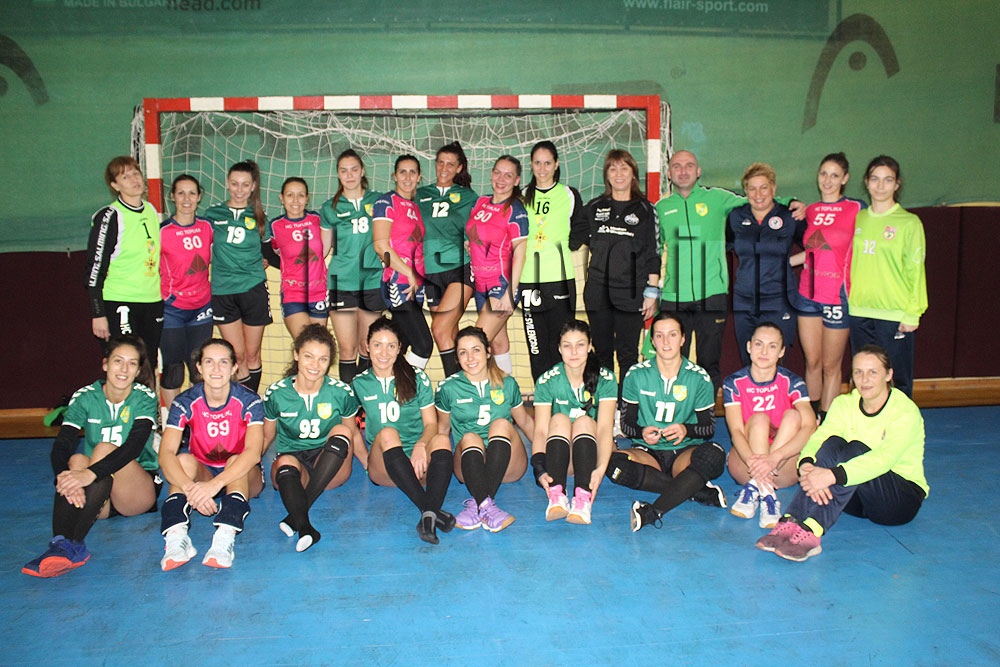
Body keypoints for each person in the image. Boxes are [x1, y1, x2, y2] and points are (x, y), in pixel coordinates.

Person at [756, 345, 927, 562]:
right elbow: (820, 437)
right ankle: (793, 519)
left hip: (898, 502)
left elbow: (884, 459)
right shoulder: (844, 403)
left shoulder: (905, 411)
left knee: (855, 448)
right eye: (858, 372)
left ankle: (813, 531)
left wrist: (831, 475)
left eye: (872, 372)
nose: (864, 379)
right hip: (855, 498)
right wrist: (807, 465)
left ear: (888, 375)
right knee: (833, 442)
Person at [653, 151, 805, 389]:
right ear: (669, 173)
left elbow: (757, 200)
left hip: (712, 292)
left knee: (709, 362)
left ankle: (706, 412)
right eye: (677, 166)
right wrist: (652, 291)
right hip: (674, 296)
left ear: (698, 171)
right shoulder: (661, 208)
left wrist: (791, 201)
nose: (683, 171)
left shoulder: (718, 198)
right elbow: (652, 251)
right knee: (671, 361)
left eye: (689, 165)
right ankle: (673, 409)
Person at [22, 336, 159, 578]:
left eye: (131, 364)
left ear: (138, 371)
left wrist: (90, 473)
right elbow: (62, 444)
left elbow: (133, 447)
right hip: (98, 496)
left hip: (135, 493)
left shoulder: (144, 396)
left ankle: (71, 544)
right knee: (75, 461)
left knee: (103, 449)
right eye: (118, 361)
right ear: (105, 364)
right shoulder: (85, 396)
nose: (124, 369)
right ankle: (61, 545)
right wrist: (63, 477)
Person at [606, 312, 727, 532]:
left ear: (683, 339)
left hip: (684, 452)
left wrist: (686, 429)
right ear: (652, 341)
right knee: (614, 465)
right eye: (659, 336)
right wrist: (641, 431)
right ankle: (693, 489)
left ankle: (653, 511)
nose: (666, 341)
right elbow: (626, 424)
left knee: (714, 454)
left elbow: (708, 427)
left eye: (672, 335)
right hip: (648, 451)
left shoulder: (698, 377)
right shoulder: (636, 375)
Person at [158, 338, 265, 571]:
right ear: (199, 367)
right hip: (204, 474)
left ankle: (224, 539)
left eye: (223, 362)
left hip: (244, 477)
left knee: (236, 460)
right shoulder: (184, 401)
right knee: (182, 461)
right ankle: (176, 538)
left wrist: (214, 486)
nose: (216, 369)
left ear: (234, 367)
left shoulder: (250, 400)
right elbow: (165, 454)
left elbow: (253, 454)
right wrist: (191, 488)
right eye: (209, 362)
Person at [352, 317, 454, 544]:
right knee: (388, 433)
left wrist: (421, 445)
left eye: (391, 346)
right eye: (377, 345)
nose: (383, 353)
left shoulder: (417, 378)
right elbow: (349, 428)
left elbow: (431, 424)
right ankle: (430, 508)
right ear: (367, 347)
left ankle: (428, 515)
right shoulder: (359, 383)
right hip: (384, 467)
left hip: (418, 465)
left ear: (400, 348)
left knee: (442, 440)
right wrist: (366, 461)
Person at [264, 325, 361, 552]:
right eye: (309, 356)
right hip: (294, 468)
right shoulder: (276, 393)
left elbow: (352, 433)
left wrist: (367, 466)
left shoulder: (341, 391)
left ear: (330, 362)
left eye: (322, 359)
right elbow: (266, 436)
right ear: (296, 354)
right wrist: (250, 466)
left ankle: (297, 516)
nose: (315, 365)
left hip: (330, 464)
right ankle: (307, 528)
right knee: (285, 461)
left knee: (342, 431)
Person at [434, 327, 533, 531]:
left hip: (508, 466)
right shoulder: (448, 388)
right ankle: (487, 507)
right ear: (457, 358)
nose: (470, 358)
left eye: (476, 350)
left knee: (501, 424)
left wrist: (545, 456)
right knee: (470, 437)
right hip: (469, 468)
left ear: (488, 352)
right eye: (463, 352)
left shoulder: (507, 383)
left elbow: (525, 422)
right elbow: (442, 431)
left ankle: (479, 503)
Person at [792, 153, 866, 420]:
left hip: (837, 296)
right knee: (812, 362)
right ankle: (811, 421)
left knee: (830, 365)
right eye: (824, 173)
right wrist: (781, 263)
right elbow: (814, 250)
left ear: (845, 179)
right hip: (808, 294)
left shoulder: (856, 208)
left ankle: (829, 422)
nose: (827, 180)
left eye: (835, 175)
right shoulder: (811, 211)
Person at [848, 156, 927, 398]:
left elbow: (916, 270)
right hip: (860, 311)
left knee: (897, 379)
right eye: (875, 179)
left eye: (888, 180)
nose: (880, 186)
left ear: (897, 184)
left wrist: (912, 312)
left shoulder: (909, 223)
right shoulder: (860, 218)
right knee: (863, 378)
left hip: (893, 313)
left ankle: (900, 422)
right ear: (866, 182)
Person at [724, 323, 815, 529]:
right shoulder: (734, 382)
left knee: (794, 416)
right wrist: (756, 464)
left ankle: (758, 491)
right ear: (749, 346)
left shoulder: (792, 381)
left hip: (783, 466)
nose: (764, 352)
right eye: (759, 344)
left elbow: (810, 427)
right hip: (746, 464)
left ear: (782, 351)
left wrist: (774, 458)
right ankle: (767, 495)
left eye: (772, 346)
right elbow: (736, 432)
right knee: (759, 419)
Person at [582, 149, 660, 389]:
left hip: (631, 293)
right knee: (602, 352)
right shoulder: (593, 207)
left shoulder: (645, 209)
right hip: (598, 292)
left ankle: (626, 406)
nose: (618, 174)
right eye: (613, 168)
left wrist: (652, 292)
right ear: (606, 175)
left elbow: (653, 253)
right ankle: (604, 404)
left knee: (628, 354)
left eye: (624, 168)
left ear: (633, 174)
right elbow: (572, 237)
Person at [531, 320, 617, 524]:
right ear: (559, 349)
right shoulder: (547, 380)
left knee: (583, 421)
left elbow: (605, 429)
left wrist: (600, 469)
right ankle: (557, 494)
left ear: (589, 346)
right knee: (559, 419)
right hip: (560, 458)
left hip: (591, 455)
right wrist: (540, 468)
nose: (574, 352)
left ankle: (583, 498)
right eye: (567, 346)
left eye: (580, 345)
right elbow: (541, 431)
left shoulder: (606, 379)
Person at [520, 141, 589, 381]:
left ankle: (564, 393)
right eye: (537, 163)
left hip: (561, 279)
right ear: (531, 164)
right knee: (536, 347)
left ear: (556, 164)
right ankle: (543, 396)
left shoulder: (569, 194)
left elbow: (582, 225)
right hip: (529, 281)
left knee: (562, 343)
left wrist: (569, 245)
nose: (542, 168)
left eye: (547, 163)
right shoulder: (521, 196)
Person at [205, 160, 276, 393]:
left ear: (253, 186)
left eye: (245, 185)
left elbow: (269, 253)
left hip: (253, 289)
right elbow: (202, 251)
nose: (239, 189)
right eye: (234, 183)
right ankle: (241, 405)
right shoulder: (212, 214)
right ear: (227, 182)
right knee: (237, 355)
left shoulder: (260, 216)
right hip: (223, 291)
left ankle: (250, 403)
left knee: (253, 354)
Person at [727, 162, 807, 365]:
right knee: (749, 361)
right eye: (752, 188)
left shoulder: (789, 216)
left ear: (774, 188)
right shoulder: (736, 216)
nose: (758, 194)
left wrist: (787, 262)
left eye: (764, 187)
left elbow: (818, 248)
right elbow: (722, 248)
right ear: (745, 191)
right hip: (744, 301)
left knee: (774, 362)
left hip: (779, 301)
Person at [86, 156, 162, 361]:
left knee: (148, 363)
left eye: (136, 173)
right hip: (121, 302)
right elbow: (94, 269)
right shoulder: (110, 216)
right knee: (125, 363)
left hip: (152, 301)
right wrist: (98, 314)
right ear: (115, 185)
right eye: (125, 177)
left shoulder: (151, 210)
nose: (134, 179)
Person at [320, 149, 384, 384]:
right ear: (338, 174)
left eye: (354, 169)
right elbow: (322, 249)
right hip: (341, 282)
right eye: (343, 171)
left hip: (372, 281)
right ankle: (349, 401)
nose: (349, 175)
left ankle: (365, 400)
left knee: (367, 346)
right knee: (347, 349)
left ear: (362, 171)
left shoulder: (379, 201)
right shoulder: (330, 207)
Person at [417, 142, 478, 376]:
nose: (444, 168)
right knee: (448, 333)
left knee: (440, 329)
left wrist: (472, 242)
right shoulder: (420, 194)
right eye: (440, 162)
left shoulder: (468, 197)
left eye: (450, 164)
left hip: (459, 267)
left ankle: (454, 388)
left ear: (459, 168)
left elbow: (478, 229)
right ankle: (463, 382)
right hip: (431, 272)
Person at [466, 155, 529, 372]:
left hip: (501, 286)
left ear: (517, 180)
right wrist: (471, 244)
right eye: (497, 173)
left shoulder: (516, 210)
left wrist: (509, 294)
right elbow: (476, 232)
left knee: (473, 343)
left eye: (508, 175)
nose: (501, 179)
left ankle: (471, 391)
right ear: (491, 174)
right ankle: (508, 391)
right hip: (480, 285)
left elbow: (520, 255)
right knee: (498, 344)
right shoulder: (480, 202)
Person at [372, 155, 433, 370]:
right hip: (398, 282)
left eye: (412, 172)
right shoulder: (386, 202)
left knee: (402, 345)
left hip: (415, 285)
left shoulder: (415, 208)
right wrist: (407, 273)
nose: (407, 177)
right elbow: (380, 246)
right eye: (402, 172)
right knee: (423, 345)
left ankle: (391, 385)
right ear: (394, 176)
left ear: (419, 177)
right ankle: (407, 386)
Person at [159, 174, 214, 409]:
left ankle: (195, 420)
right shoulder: (162, 231)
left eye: (192, 193)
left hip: (202, 307)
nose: (186, 199)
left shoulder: (207, 227)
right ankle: (174, 421)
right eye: (180, 193)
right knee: (173, 370)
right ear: (172, 196)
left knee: (199, 370)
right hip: (172, 309)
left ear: (199, 197)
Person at [266, 177, 328, 339]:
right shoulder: (275, 226)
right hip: (293, 294)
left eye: (300, 195)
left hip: (319, 292)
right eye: (290, 195)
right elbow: (270, 254)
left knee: (319, 345)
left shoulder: (318, 220)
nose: (295, 200)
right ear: (281, 198)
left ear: (307, 198)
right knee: (306, 342)